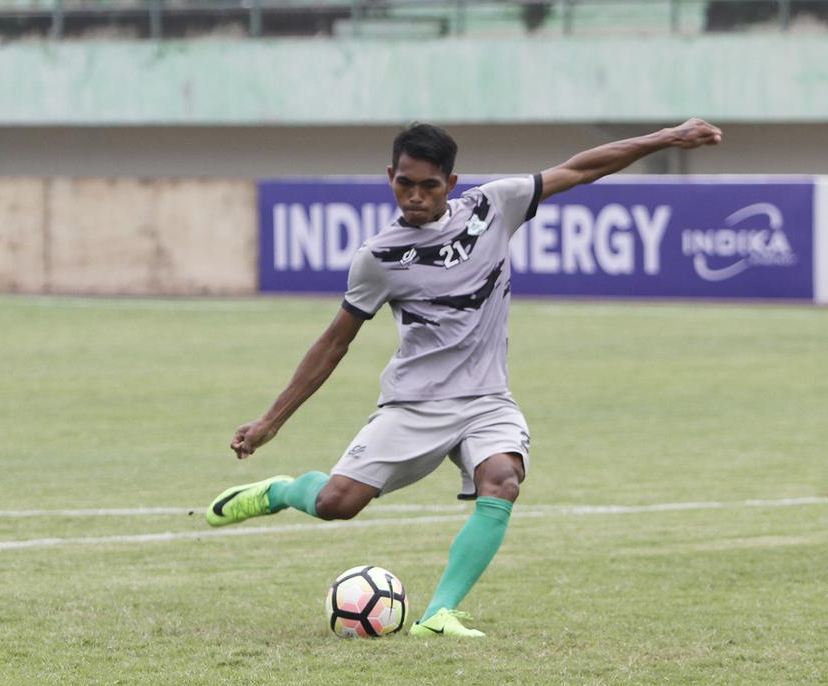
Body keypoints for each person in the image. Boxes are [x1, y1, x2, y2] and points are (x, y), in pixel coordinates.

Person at [205, 118, 724, 635]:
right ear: (390, 175)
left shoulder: (492, 207)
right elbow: (335, 341)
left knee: (502, 479)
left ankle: (438, 614)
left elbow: (580, 169)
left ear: (450, 184)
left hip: (487, 400)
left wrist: (665, 138)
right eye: (404, 184)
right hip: (415, 404)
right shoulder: (378, 257)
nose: (414, 197)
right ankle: (280, 492)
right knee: (336, 504)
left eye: (428, 186)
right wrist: (272, 420)